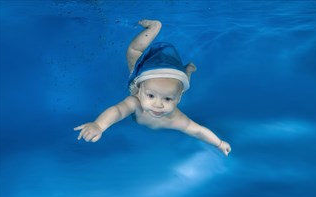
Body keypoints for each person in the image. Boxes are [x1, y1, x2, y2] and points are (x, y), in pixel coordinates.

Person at [74, 19, 231, 156]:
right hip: (144, 74)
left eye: (168, 99)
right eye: (150, 96)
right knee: (133, 52)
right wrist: (99, 125)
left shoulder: (176, 117)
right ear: (140, 89)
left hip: (171, 85)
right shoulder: (135, 101)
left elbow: (198, 130)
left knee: (183, 84)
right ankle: (154, 27)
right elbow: (118, 111)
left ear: (178, 99)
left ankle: (187, 70)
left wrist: (219, 143)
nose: (158, 104)